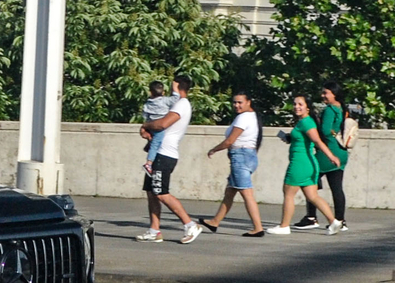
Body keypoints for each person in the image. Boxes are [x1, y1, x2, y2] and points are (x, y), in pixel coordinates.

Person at [137, 73, 201, 243]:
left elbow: (162, 124)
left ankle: (190, 224)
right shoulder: (177, 103)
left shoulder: (181, 104)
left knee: (161, 193)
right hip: (159, 153)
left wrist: (145, 125)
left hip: (165, 155)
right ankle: (154, 230)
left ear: (176, 85)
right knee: (151, 192)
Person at [267, 93, 342, 235]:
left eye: (300, 104)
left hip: (300, 164)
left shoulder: (307, 123)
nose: (296, 107)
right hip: (308, 164)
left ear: (308, 108)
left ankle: (284, 226)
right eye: (295, 104)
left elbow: (318, 141)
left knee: (288, 193)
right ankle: (333, 222)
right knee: (313, 196)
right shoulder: (303, 122)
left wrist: (331, 156)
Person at [201, 91, 265, 236]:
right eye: (234, 102)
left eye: (240, 102)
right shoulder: (252, 116)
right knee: (230, 192)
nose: (236, 105)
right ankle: (215, 222)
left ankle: (258, 228)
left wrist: (213, 149)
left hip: (240, 157)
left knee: (247, 193)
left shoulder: (243, 118)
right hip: (249, 156)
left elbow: (230, 141)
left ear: (249, 102)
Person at [316, 84, 354, 233]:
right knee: (337, 187)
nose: (323, 96)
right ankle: (341, 220)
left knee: (309, 183)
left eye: (326, 93)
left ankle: (311, 217)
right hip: (341, 151)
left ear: (334, 94)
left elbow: (325, 130)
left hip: (328, 151)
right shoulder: (343, 109)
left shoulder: (330, 110)